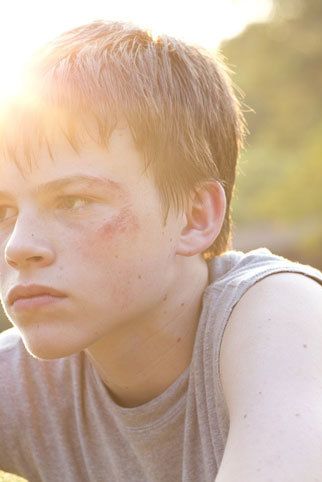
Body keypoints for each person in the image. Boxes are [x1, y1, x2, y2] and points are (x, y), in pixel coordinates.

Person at [0, 20, 321, 482]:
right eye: (2, 211)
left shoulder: (281, 316)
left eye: (74, 201)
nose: (19, 246)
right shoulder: (26, 381)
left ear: (195, 217)